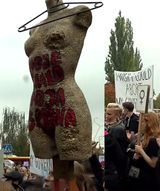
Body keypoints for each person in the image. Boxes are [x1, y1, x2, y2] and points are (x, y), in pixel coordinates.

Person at [26, 0, 93, 164]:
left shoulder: (79, 14)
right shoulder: (35, 28)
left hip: (66, 102)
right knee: (52, 168)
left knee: (71, 169)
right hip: (38, 105)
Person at [127, 112, 160, 191]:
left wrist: (141, 151)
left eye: (142, 122)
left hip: (147, 177)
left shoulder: (153, 140)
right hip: (136, 174)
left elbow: (153, 164)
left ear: (148, 123)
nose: (139, 124)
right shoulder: (143, 136)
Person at [104, 103, 129, 191]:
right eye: (106, 113)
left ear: (117, 115)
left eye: (109, 114)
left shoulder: (118, 130)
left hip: (114, 171)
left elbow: (120, 155)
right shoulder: (108, 127)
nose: (106, 116)